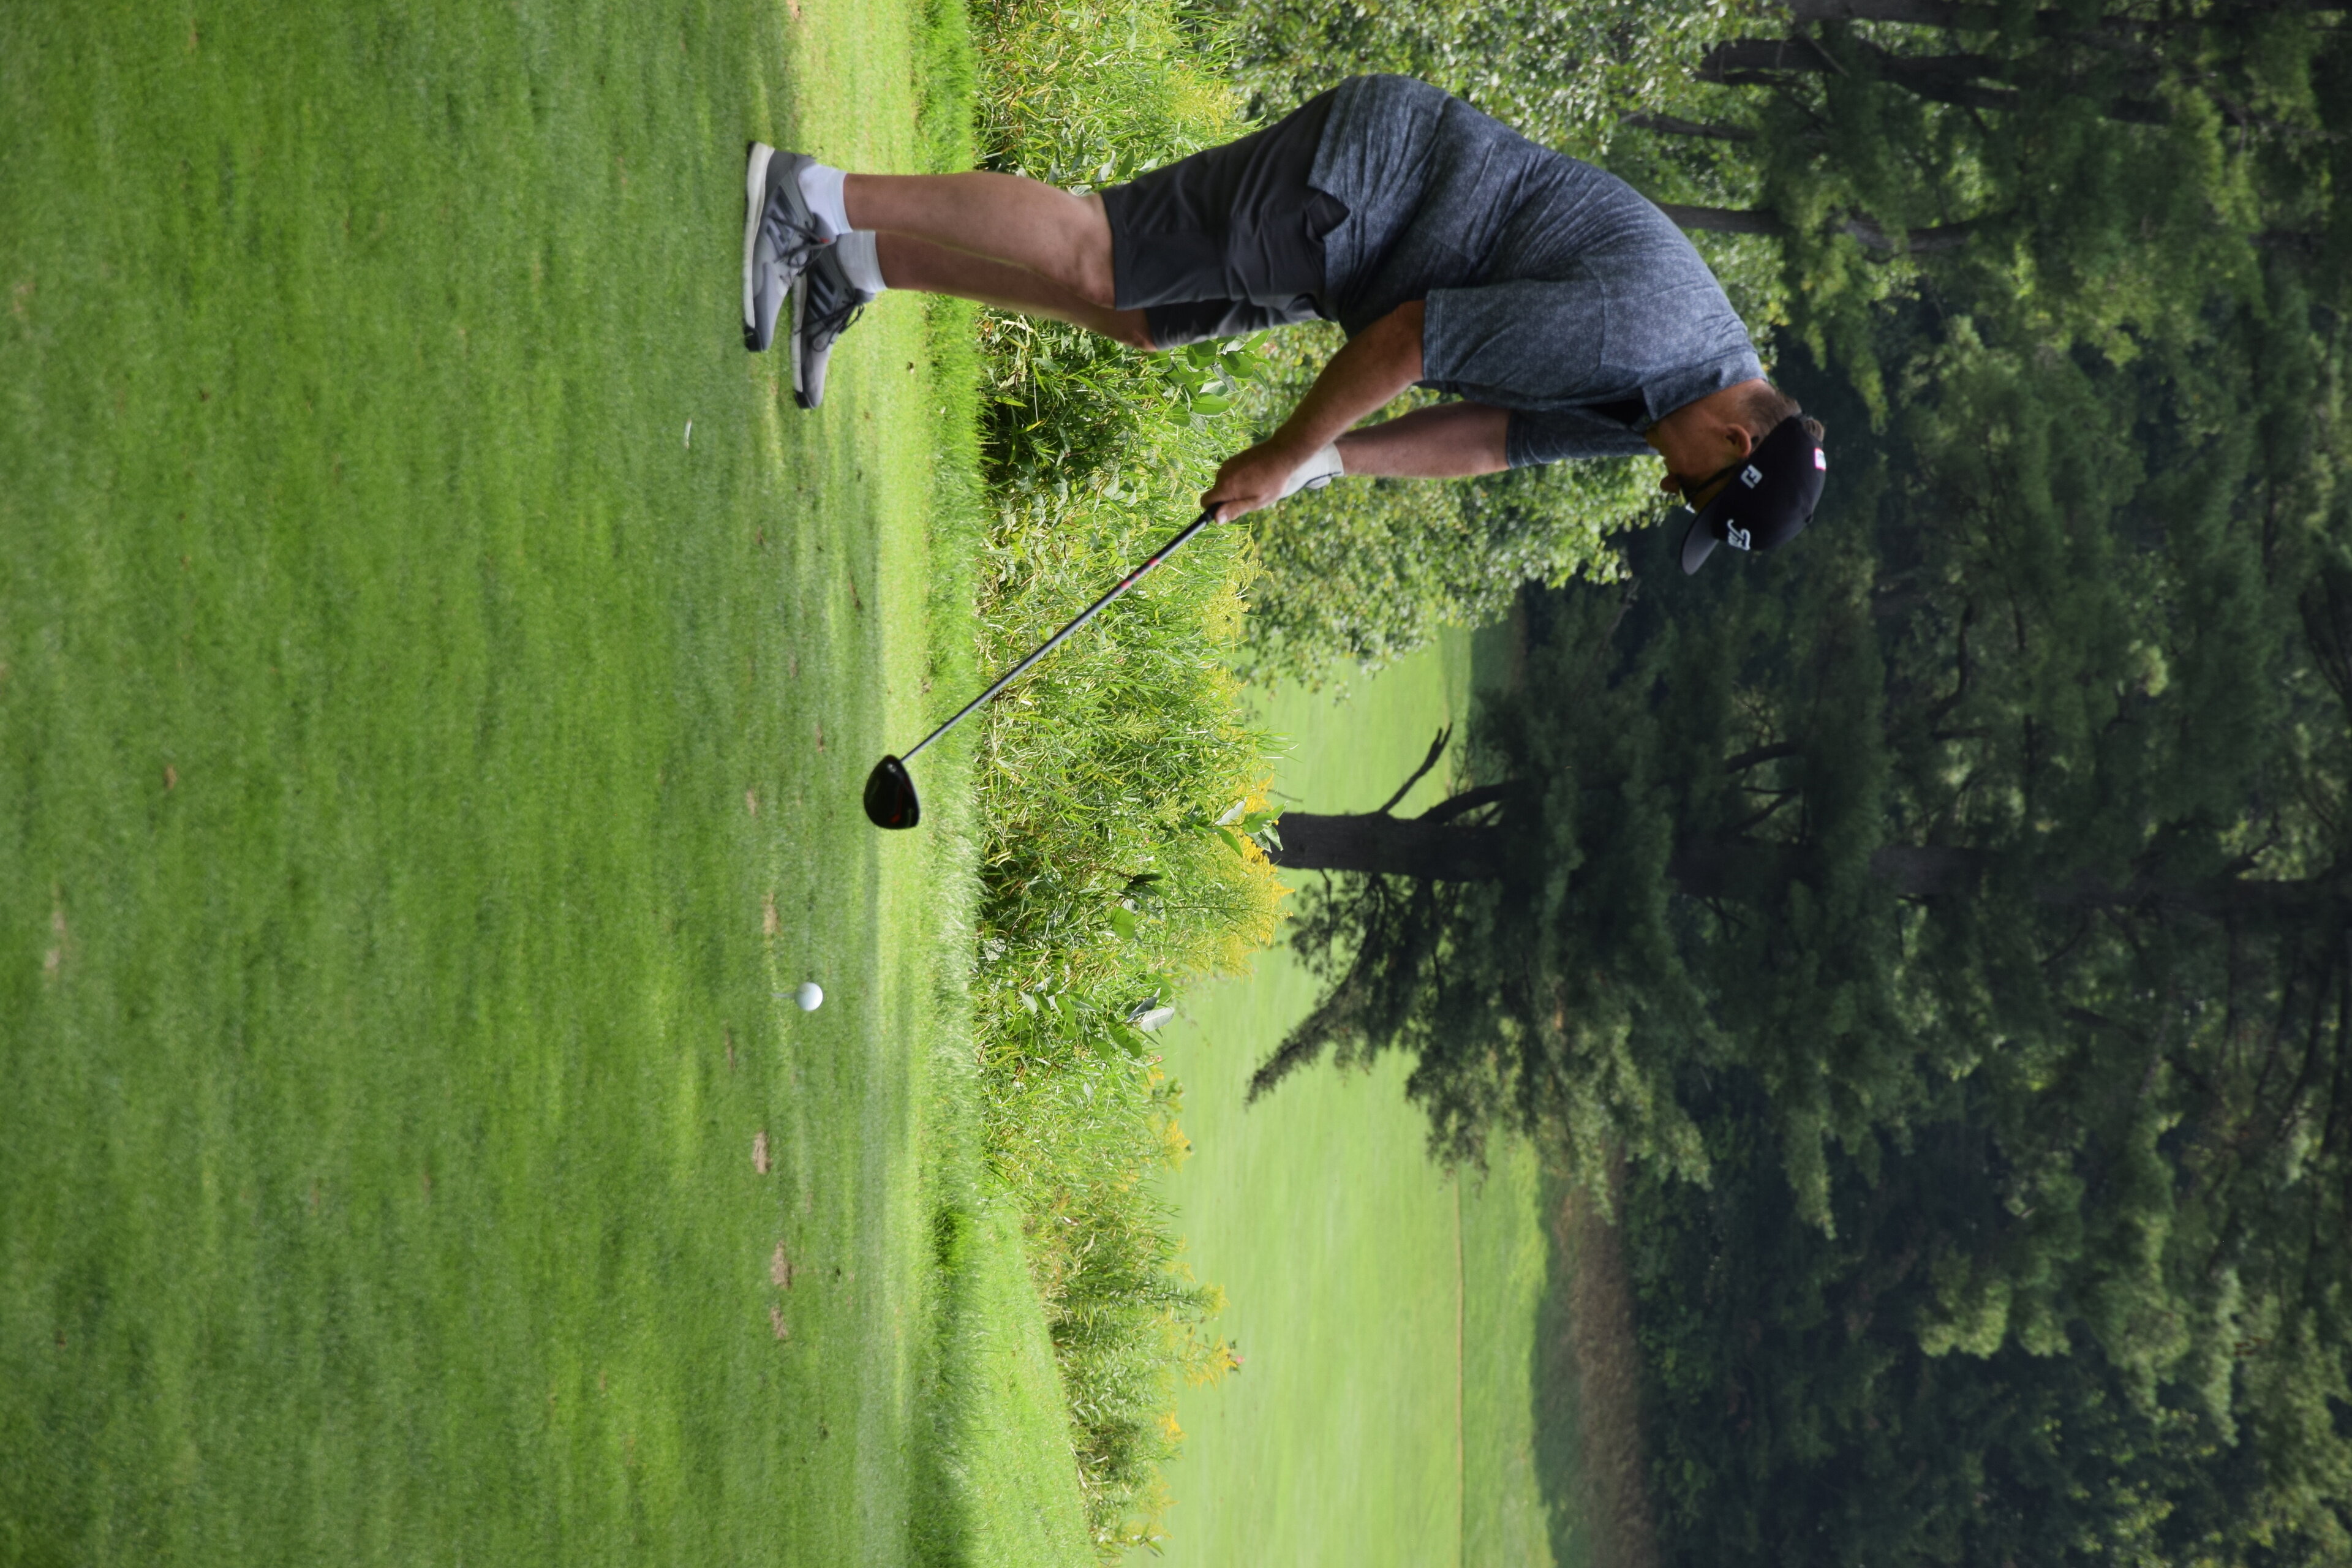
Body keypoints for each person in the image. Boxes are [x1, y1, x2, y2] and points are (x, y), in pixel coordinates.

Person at [741, 75, 1825, 573]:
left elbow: (1494, 439)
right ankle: (813, 196)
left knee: (1140, 315)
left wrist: (1327, 464)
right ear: (1736, 439)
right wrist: (1283, 450)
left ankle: (860, 263)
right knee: (1099, 250)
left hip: (1362, 254)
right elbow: (1410, 340)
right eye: (1694, 489)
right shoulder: (1636, 339)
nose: (1670, 486)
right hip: (1365, 185)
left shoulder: (1663, 405)